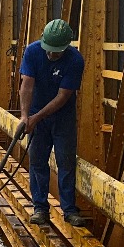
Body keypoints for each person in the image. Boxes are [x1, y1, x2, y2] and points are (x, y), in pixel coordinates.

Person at [17, 18, 87, 228]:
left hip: (61, 117)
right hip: (37, 113)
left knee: (66, 162)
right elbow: (27, 85)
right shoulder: (32, 51)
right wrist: (24, 116)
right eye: (48, 49)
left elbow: (63, 96)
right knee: (38, 161)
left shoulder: (75, 60)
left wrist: (36, 118)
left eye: (56, 52)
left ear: (66, 47)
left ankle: (69, 210)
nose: (50, 55)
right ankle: (40, 207)